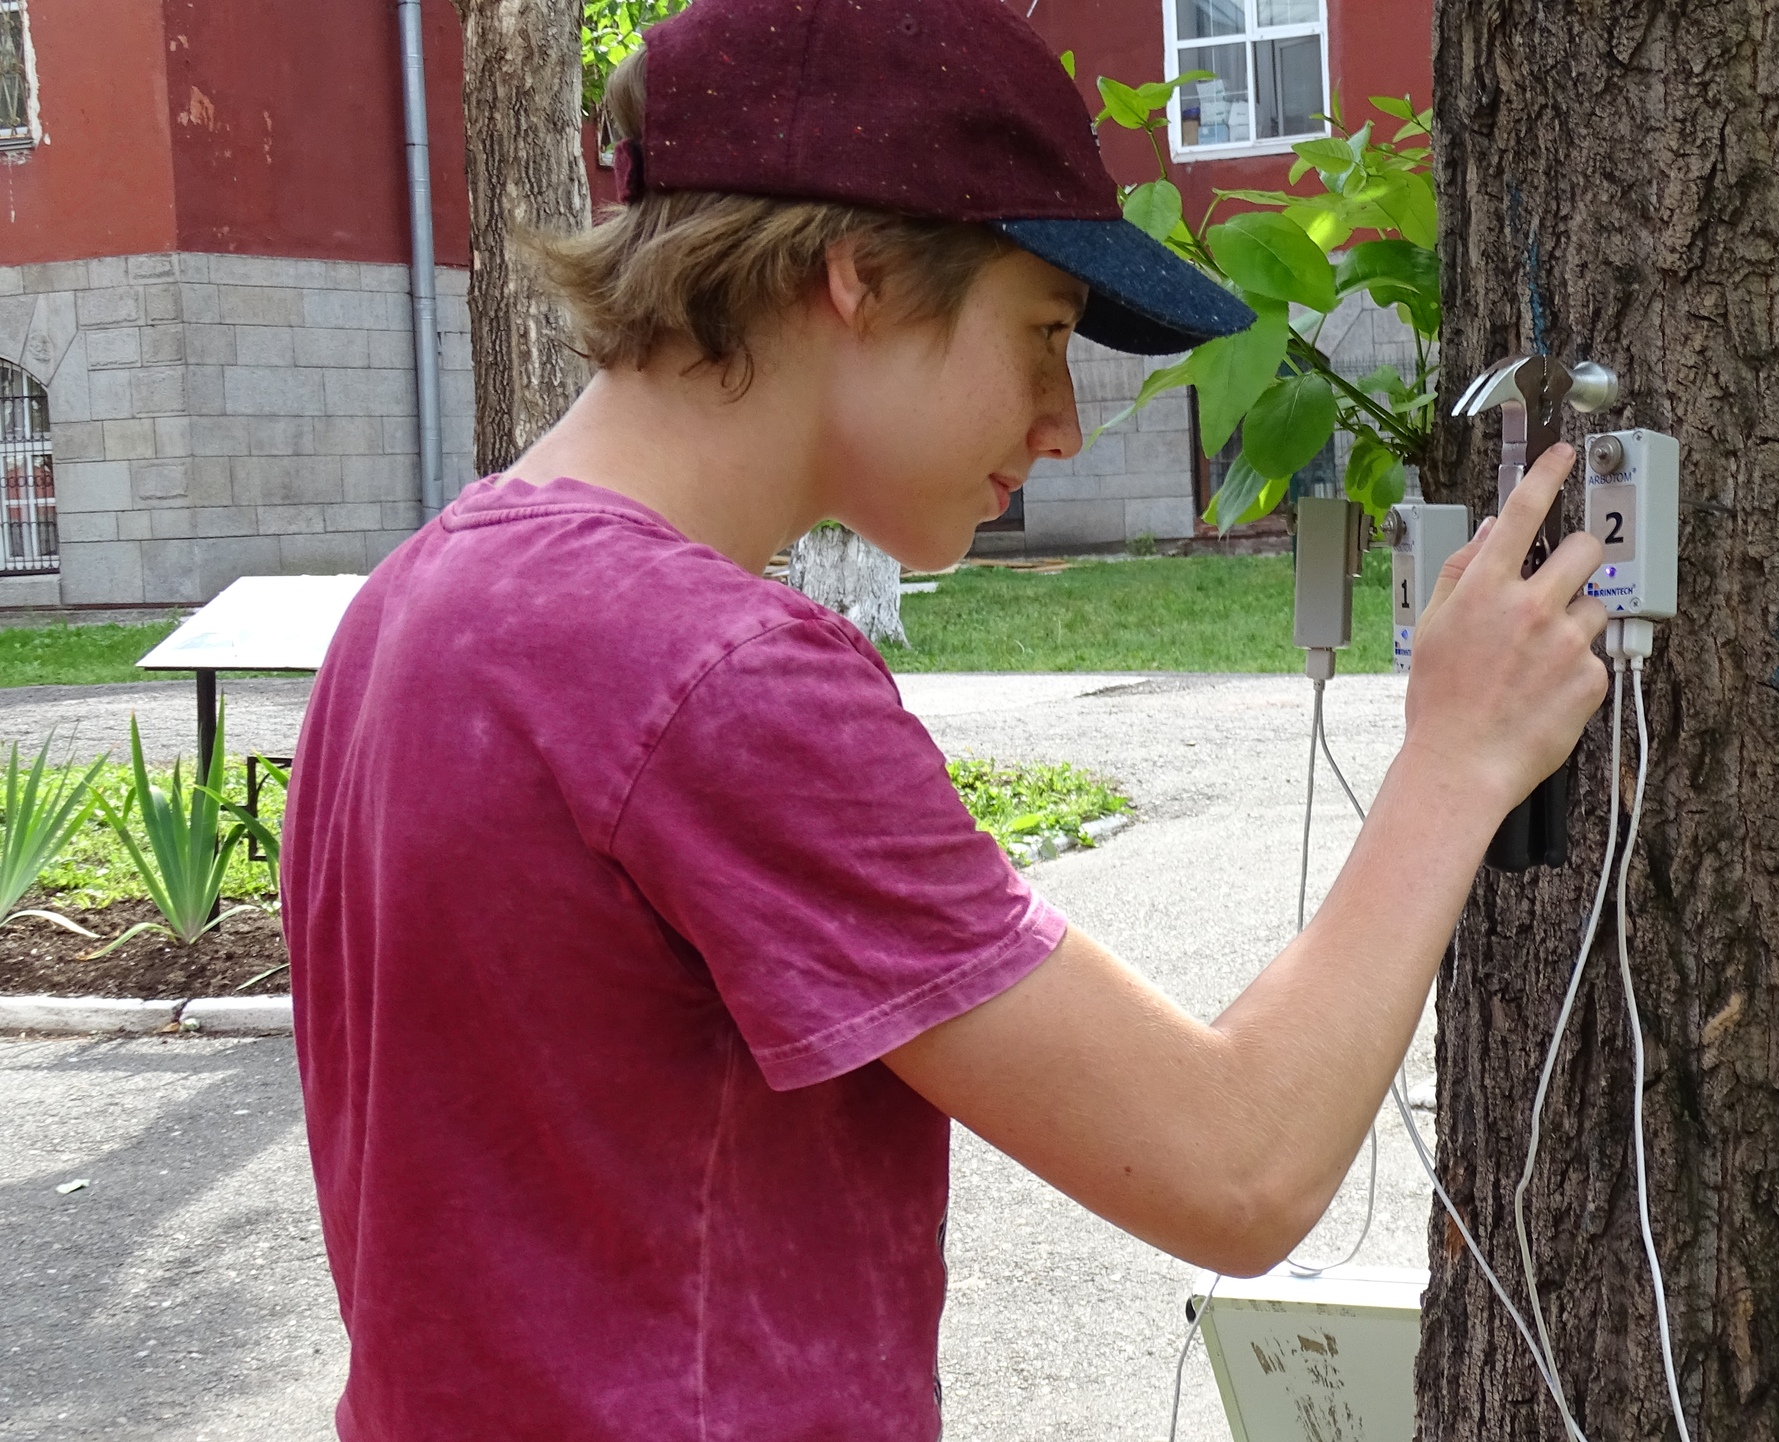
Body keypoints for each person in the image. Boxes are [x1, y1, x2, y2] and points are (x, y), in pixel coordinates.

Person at [279, 0, 1608, 1436]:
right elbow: (1238, 1165)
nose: (1063, 422)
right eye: (1040, 331)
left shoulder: (412, 608)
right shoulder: (715, 678)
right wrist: (1458, 753)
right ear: (854, 276)